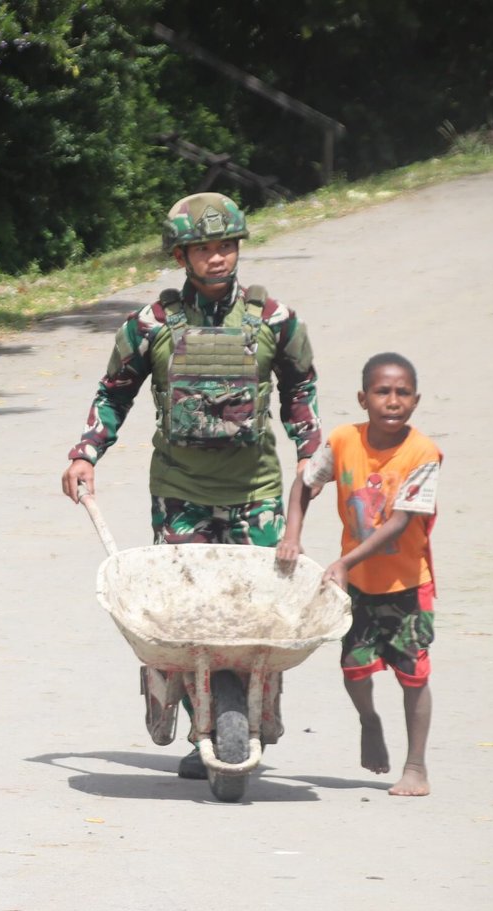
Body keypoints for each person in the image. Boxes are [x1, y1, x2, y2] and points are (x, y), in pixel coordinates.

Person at [59, 192, 321, 778]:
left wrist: (311, 454)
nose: (219, 257)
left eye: (227, 245)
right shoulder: (151, 325)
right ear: (183, 255)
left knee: (260, 619)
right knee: (182, 619)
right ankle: (190, 718)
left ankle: (261, 710)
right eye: (204, 248)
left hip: (256, 493)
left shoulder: (274, 321)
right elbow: (114, 392)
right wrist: (85, 454)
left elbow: (301, 389)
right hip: (178, 494)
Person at [277, 353, 440, 796]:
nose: (392, 401)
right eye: (382, 392)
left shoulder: (422, 452)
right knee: (354, 667)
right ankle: (369, 721)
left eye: (402, 393)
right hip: (359, 586)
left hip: (408, 583)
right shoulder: (344, 440)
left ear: (416, 400)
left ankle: (416, 767)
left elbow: (400, 521)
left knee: (414, 675)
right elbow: (304, 483)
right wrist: (292, 534)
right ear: (362, 398)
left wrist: (344, 563)